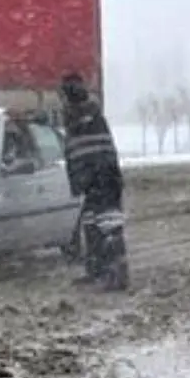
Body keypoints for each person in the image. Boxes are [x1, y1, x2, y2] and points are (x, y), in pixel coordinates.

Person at [59, 72, 129, 291]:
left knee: (108, 223)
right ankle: (97, 270)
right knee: (91, 223)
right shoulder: (89, 114)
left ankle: (116, 274)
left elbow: (76, 138)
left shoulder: (83, 114)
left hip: (101, 177)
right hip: (97, 177)